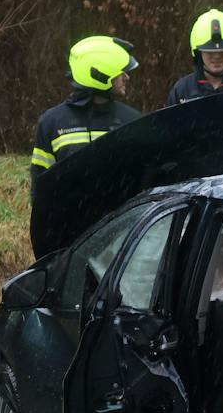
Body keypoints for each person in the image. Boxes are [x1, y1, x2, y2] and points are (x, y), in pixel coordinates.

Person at [29, 35, 143, 257]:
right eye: (121, 72)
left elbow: (141, 180)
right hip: (66, 236)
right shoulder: (52, 123)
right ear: (100, 74)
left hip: (119, 235)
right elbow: (40, 186)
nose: (127, 77)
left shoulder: (132, 121)